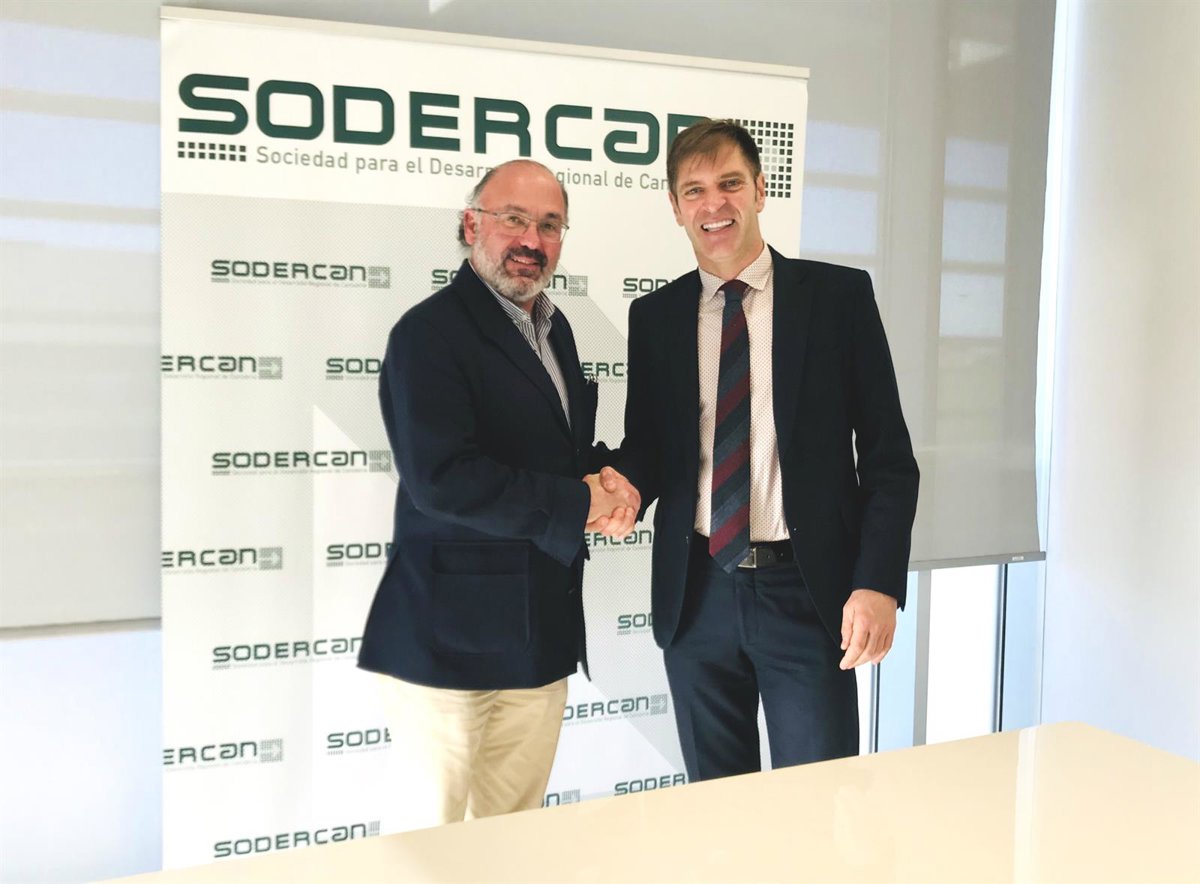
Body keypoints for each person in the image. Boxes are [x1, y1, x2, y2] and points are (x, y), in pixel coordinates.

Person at [613, 119, 918, 782]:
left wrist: (877, 583)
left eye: (729, 183)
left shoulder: (837, 299)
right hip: (697, 594)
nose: (713, 204)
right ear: (675, 207)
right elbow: (651, 447)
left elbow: (890, 459)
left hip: (806, 592)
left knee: (817, 801)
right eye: (694, 190)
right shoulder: (656, 317)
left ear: (759, 189)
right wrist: (619, 485)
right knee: (716, 809)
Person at [358, 159, 639, 829]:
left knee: (513, 840)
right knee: (431, 848)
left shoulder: (556, 329)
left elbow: (550, 457)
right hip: (446, 646)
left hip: (539, 638)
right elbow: (442, 479)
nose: (531, 240)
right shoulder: (428, 334)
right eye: (513, 219)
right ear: (471, 225)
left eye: (549, 225)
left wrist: (610, 479)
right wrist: (582, 502)